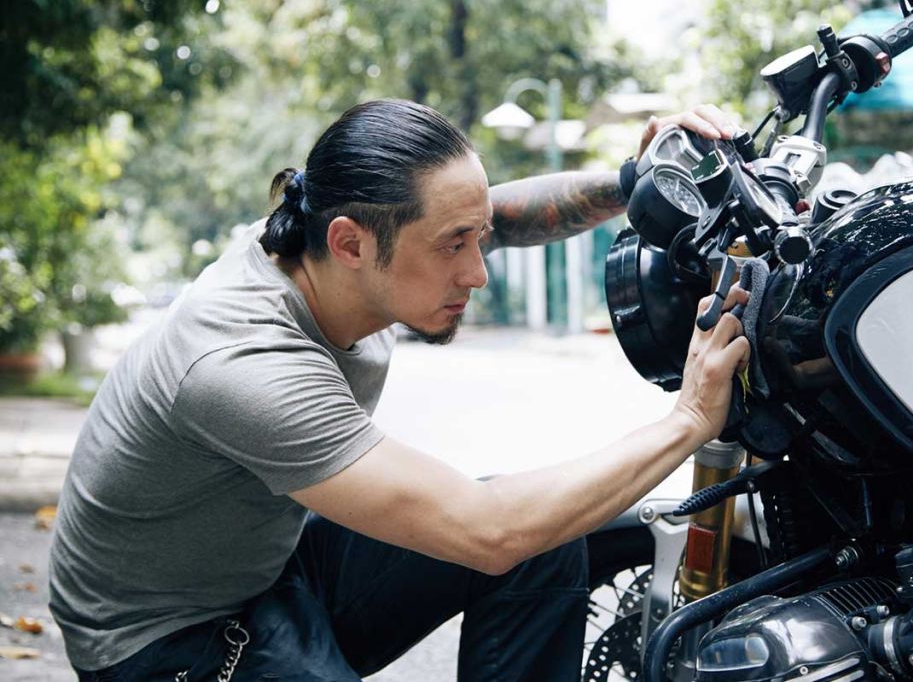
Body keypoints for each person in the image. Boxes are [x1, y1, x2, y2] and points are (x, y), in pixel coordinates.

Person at [50, 99, 750, 681]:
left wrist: (639, 179)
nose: (477, 270)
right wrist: (689, 417)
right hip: (163, 637)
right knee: (514, 533)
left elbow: (500, 213)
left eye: (474, 239)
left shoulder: (331, 247)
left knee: (550, 538)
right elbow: (488, 530)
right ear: (350, 242)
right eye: (453, 245)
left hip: (267, 563)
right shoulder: (245, 363)